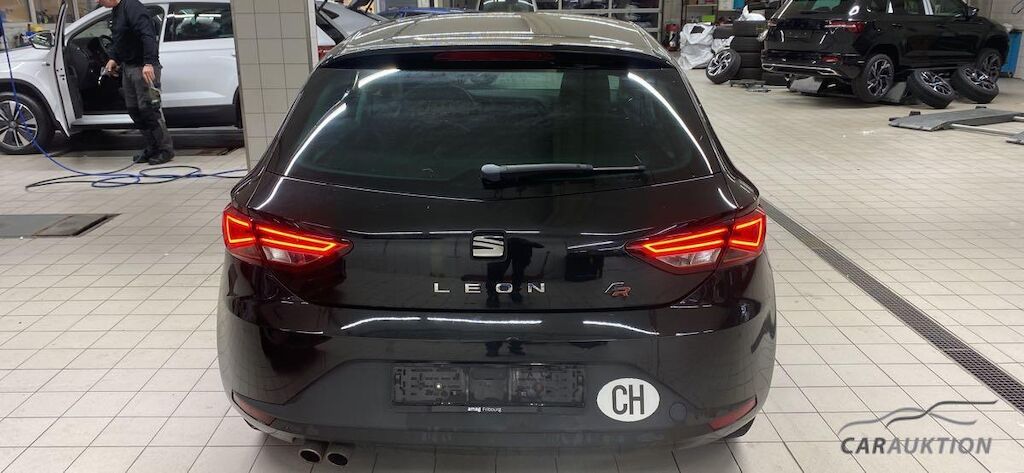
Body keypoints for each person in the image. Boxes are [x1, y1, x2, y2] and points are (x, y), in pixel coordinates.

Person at [99, 0, 174, 165]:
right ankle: (152, 147)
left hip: (143, 68)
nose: (97, 1)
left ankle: (165, 150)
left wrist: (149, 63)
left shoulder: (133, 8)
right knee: (135, 111)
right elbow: (120, 39)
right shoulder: (116, 11)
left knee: (149, 111)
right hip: (128, 67)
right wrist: (113, 58)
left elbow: (148, 35)